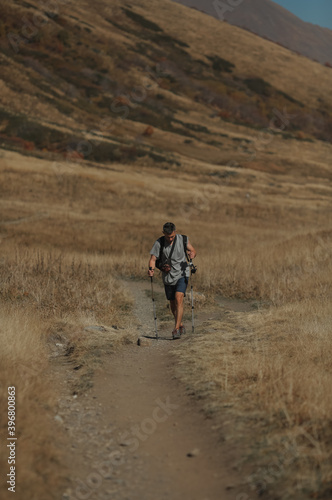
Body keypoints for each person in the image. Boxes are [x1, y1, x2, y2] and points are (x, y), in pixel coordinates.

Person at [148, 222, 197, 340]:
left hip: (182, 273)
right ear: (163, 233)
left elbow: (193, 251)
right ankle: (180, 324)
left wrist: (192, 254)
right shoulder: (159, 243)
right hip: (168, 276)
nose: (170, 239)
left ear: (175, 231)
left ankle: (175, 329)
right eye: (168, 236)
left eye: (172, 236)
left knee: (179, 297)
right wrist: (151, 269)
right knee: (172, 302)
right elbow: (153, 259)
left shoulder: (183, 239)